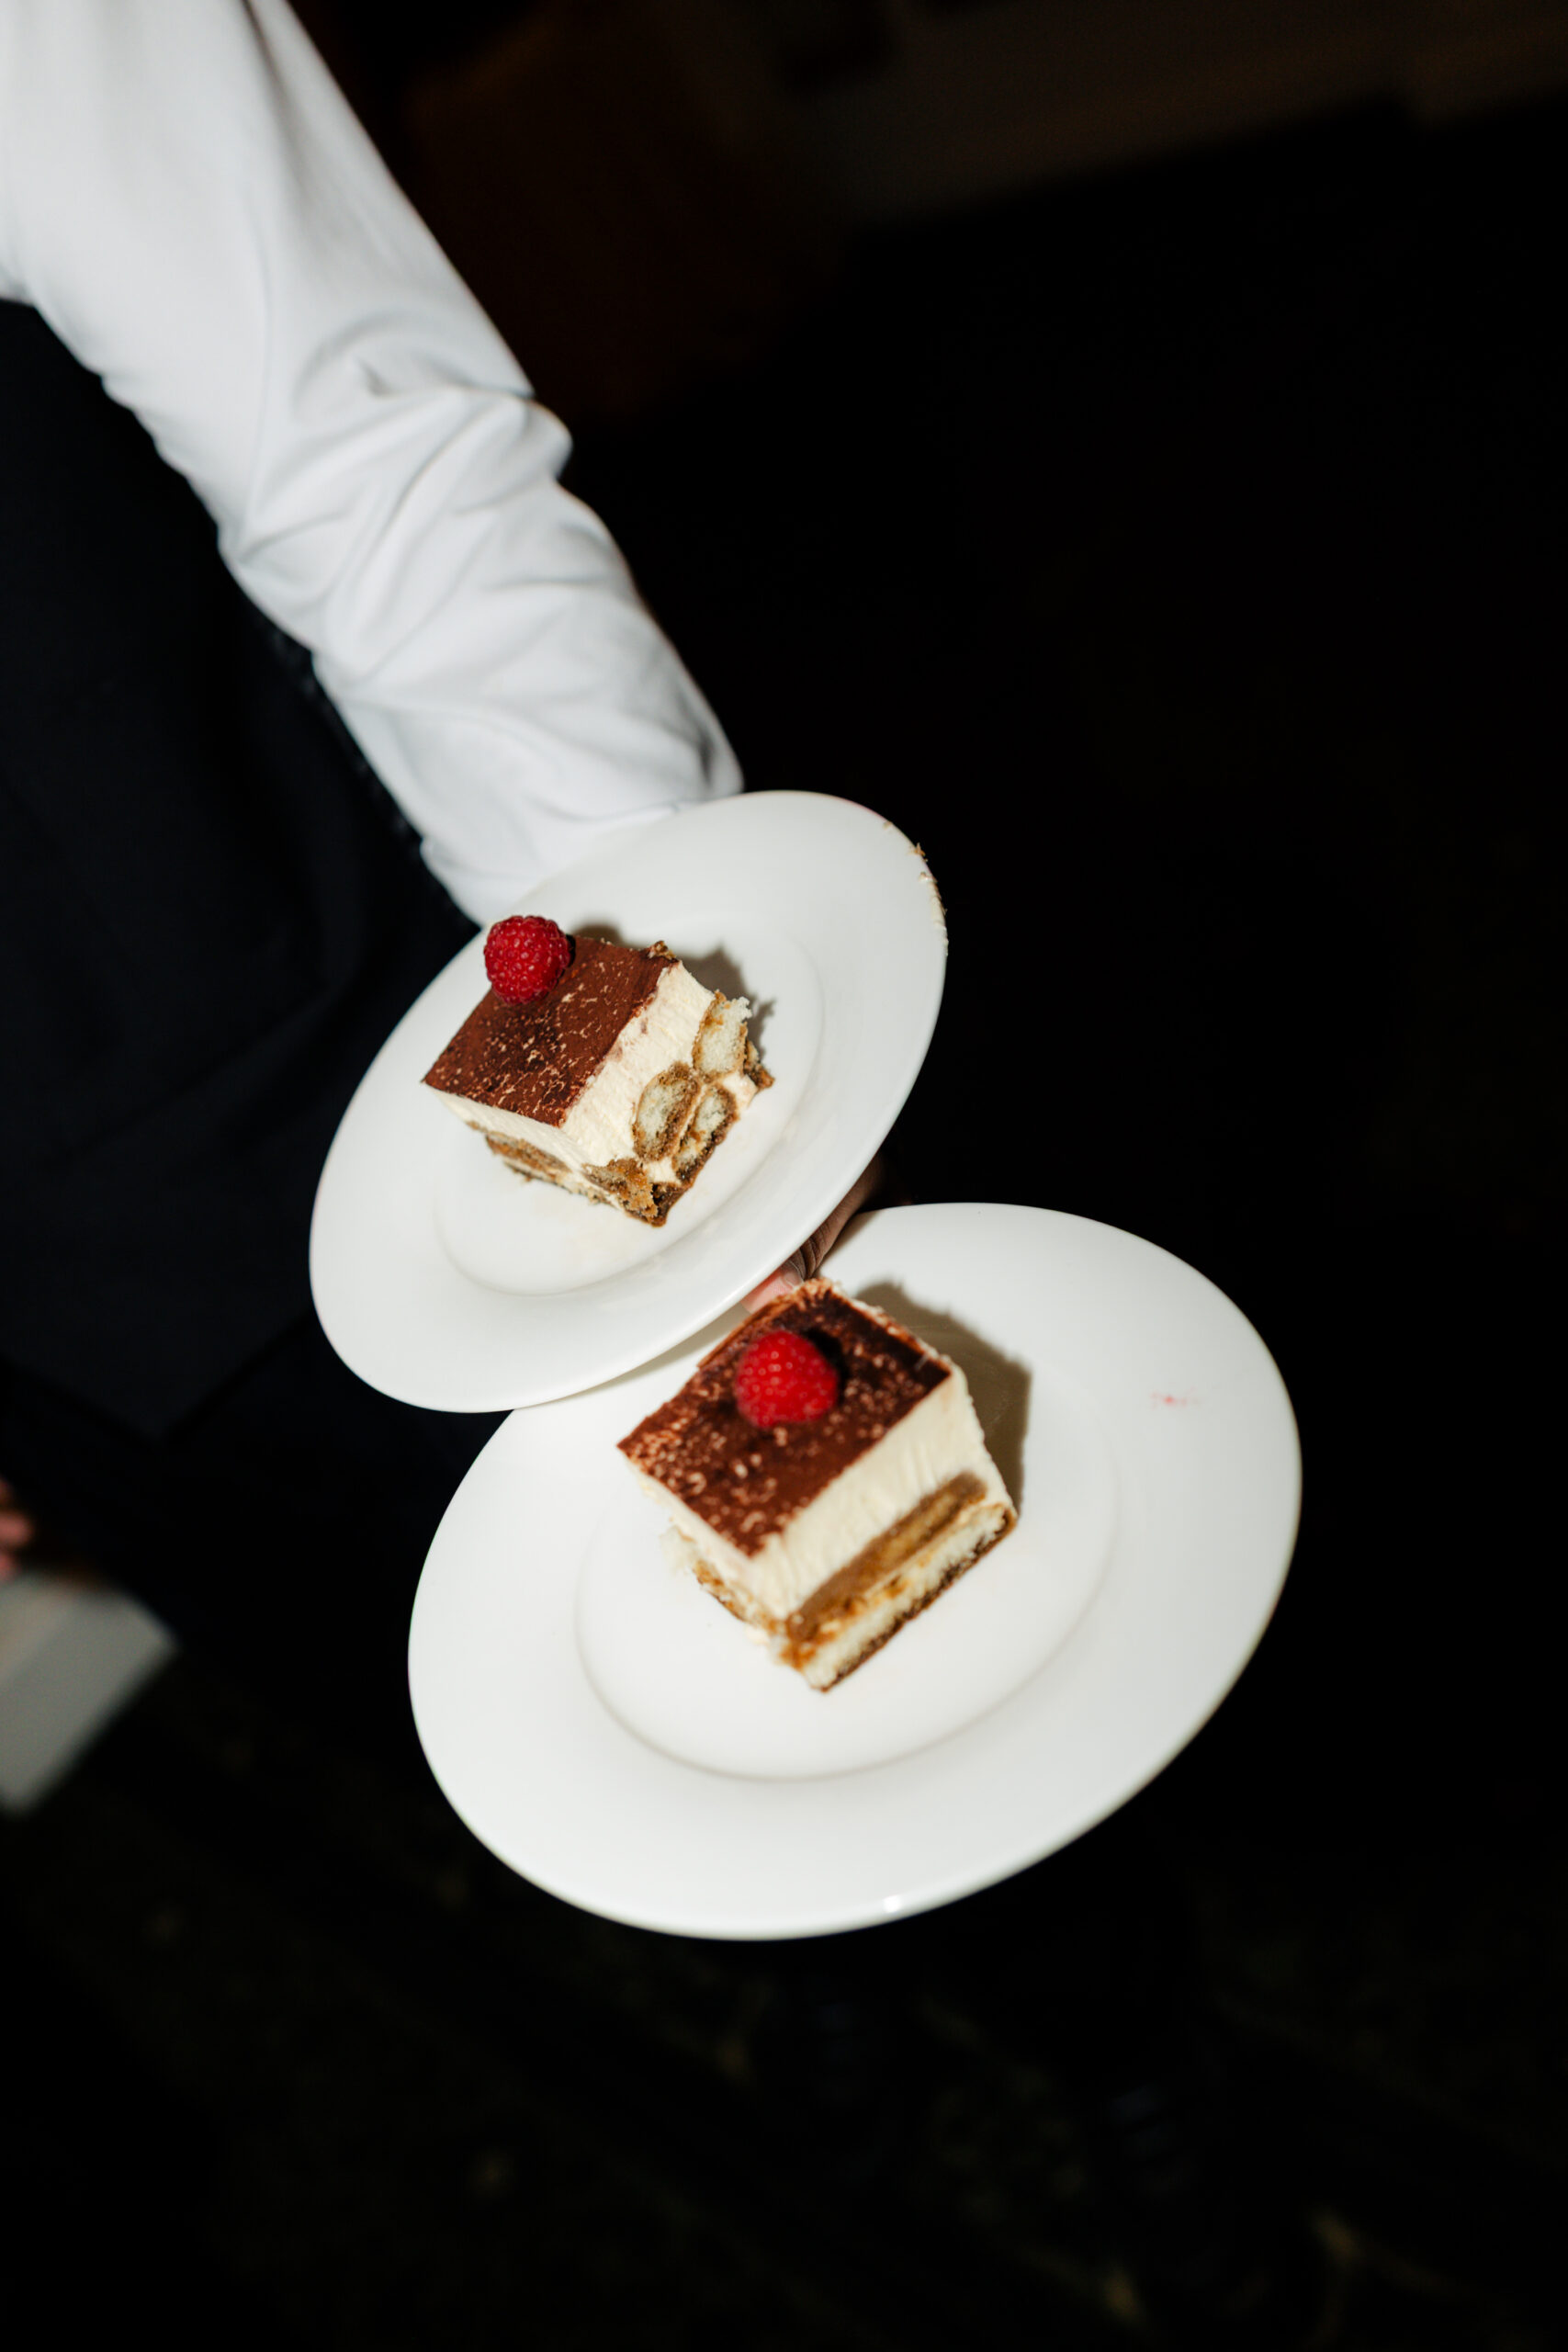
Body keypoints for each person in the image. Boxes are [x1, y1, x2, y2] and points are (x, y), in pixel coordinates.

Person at [0, 0, 868, 1750]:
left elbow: (375, 469)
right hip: (62, 1346)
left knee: (856, 1612)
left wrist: (682, 1076)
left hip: (401, 1109)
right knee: (472, 1730)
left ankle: (1097, 2001)